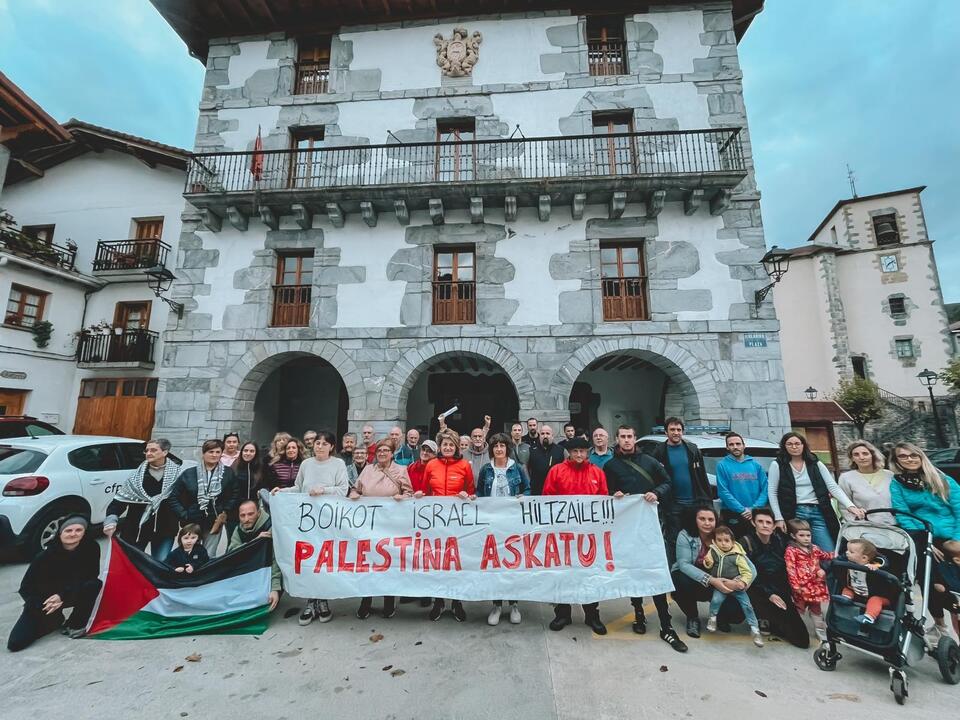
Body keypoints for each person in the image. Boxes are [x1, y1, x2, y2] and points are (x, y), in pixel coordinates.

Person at [604, 424, 687, 652]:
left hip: (651, 526)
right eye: (623, 436)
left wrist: (656, 493)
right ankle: (638, 612)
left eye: (630, 436)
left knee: (654, 569)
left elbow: (667, 483)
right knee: (634, 569)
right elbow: (605, 492)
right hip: (626, 528)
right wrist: (614, 495)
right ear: (617, 439)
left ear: (635, 438)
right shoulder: (611, 466)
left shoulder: (650, 462)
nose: (626, 440)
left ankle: (665, 623)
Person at [274, 430, 349, 625]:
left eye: (325, 443)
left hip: (328, 521)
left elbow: (343, 490)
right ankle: (310, 601)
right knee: (308, 560)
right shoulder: (306, 464)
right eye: (317, 443)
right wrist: (282, 491)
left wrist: (323, 490)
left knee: (324, 561)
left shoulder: (338, 464)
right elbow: (298, 488)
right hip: (307, 522)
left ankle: (323, 601)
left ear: (331, 447)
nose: (320, 446)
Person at [889, 441, 960, 635]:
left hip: (952, 535)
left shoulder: (942, 479)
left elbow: (959, 508)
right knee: (931, 582)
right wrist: (926, 540)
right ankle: (940, 627)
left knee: (955, 587)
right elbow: (902, 514)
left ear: (921, 457)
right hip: (923, 536)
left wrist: (956, 540)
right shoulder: (897, 483)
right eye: (903, 456)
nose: (909, 459)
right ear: (896, 461)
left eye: (913, 455)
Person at [543, 437, 609, 635]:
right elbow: (547, 499)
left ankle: (592, 614)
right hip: (563, 535)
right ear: (569, 453)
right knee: (562, 574)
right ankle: (563, 613)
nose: (579, 455)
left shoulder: (597, 473)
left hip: (589, 535)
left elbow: (604, 500)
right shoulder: (556, 471)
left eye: (582, 451)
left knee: (590, 574)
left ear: (587, 452)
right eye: (575, 451)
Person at [7, 516, 102, 651]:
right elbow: (26, 588)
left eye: (78, 530)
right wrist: (42, 604)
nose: (73, 534)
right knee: (15, 643)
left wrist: (62, 596)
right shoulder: (45, 556)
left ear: (84, 532)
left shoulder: (92, 548)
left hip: (71, 592)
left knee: (93, 584)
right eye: (68, 530)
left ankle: (75, 623)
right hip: (47, 599)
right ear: (60, 533)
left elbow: (91, 575)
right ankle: (55, 619)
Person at [416, 429, 475, 622]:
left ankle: (457, 601)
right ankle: (439, 601)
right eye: (445, 444)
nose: (448, 448)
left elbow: (471, 491)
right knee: (438, 562)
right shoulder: (431, 465)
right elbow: (425, 490)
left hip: (457, 523)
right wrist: (419, 495)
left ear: (457, 447)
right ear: (440, 447)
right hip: (436, 523)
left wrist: (468, 496)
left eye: (451, 445)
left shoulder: (464, 465)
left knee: (457, 562)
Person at [768, 432, 863, 552]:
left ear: (803, 445)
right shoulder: (777, 464)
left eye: (797, 443)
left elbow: (832, 486)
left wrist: (850, 506)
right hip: (794, 513)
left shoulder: (815, 463)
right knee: (800, 552)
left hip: (818, 511)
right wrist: (779, 518)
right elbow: (772, 492)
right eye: (790, 444)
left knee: (828, 550)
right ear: (784, 446)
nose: (794, 447)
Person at [349, 439, 413, 619]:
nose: (382, 453)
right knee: (368, 562)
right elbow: (356, 489)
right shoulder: (368, 470)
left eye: (386, 450)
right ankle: (366, 600)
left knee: (388, 562)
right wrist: (354, 495)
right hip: (368, 525)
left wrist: (402, 497)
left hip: (391, 526)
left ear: (392, 453)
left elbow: (409, 493)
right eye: (379, 451)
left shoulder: (401, 470)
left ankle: (388, 600)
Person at [672, 505, 755, 638]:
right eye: (702, 519)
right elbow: (684, 565)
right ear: (695, 519)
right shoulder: (685, 535)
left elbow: (751, 569)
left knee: (737, 615)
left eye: (711, 519)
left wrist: (741, 583)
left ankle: (721, 616)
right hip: (696, 580)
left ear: (716, 521)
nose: (707, 523)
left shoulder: (724, 536)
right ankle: (692, 618)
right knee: (679, 580)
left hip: (723, 581)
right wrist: (712, 580)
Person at [476, 432, 530, 626]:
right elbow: (480, 491)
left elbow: (527, 489)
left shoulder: (517, 468)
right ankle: (497, 605)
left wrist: (524, 497)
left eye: (502, 446)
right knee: (495, 564)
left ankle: (514, 604)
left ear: (507, 448)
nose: (499, 449)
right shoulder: (486, 469)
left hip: (512, 522)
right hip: (492, 523)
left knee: (512, 562)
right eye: (496, 446)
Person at [739, 508, 810, 648]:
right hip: (755, 589)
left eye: (768, 522)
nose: (765, 525)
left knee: (801, 640)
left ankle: (772, 620)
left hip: (777, 589)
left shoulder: (780, 541)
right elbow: (746, 574)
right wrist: (769, 594)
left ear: (773, 525)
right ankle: (762, 617)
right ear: (753, 523)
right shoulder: (745, 542)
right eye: (760, 521)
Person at [102, 438, 181, 559]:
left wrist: (185, 518)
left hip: (165, 529)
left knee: (161, 564)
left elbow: (184, 501)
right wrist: (111, 519)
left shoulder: (178, 475)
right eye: (146, 450)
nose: (148, 453)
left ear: (165, 452)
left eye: (153, 450)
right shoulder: (136, 477)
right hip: (136, 529)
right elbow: (120, 500)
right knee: (131, 563)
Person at [168, 439, 239, 557]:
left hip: (214, 521)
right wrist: (184, 514)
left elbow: (234, 494)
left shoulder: (228, 473)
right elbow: (174, 497)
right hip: (191, 521)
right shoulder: (189, 473)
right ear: (203, 453)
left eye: (218, 452)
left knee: (209, 555)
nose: (214, 455)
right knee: (189, 554)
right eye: (211, 452)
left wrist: (224, 511)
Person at [651, 418, 712, 548]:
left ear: (682, 431)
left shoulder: (692, 450)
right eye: (672, 430)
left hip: (694, 503)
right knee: (675, 540)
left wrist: (707, 500)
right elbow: (655, 479)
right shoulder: (659, 452)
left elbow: (702, 477)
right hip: (672, 505)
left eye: (679, 430)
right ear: (666, 432)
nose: (676, 432)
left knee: (697, 539)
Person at [702, 526, 763, 646]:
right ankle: (712, 618)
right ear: (715, 541)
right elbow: (709, 564)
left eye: (726, 540)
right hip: (721, 585)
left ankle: (755, 629)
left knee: (747, 606)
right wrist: (707, 562)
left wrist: (743, 582)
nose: (723, 543)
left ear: (733, 542)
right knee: (716, 600)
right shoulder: (713, 551)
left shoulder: (737, 556)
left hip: (736, 585)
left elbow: (748, 572)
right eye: (719, 540)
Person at [227, 500, 281, 611]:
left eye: (250, 514)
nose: (246, 519)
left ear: (259, 513)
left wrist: (275, 589)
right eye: (242, 515)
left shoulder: (270, 527)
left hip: (270, 572)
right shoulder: (238, 529)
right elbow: (232, 554)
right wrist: (255, 542)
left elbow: (276, 560)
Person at [784, 518, 833, 641]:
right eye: (801, 535)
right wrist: (795, 586)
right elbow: (790, 569)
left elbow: (825, 556)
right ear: (793, 536)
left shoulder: (815, 548)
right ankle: (797, 629)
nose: (806, 538)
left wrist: (835, 554)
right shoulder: (791, 551)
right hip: (801, 588)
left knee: (817, 609)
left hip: (816, 586)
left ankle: (820, 630)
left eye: (808, 535)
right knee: (799, 609)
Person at [715, 432, 768, 538]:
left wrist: (754, 508)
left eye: (738, 444)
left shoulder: (755, 465)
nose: (735, 447)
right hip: (733, 514)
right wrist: (742, 510)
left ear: (744, 445)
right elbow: (723, 491)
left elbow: (765, 489)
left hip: (756, 513)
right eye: (731, 444)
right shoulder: (722, 465)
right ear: (727, 447)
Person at [837, 440, 895, 524]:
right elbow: (844, 507)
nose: (861, 457)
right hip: (863, 526)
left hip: (894, 525)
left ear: (873, 455)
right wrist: (858, 523)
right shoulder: (846, 478)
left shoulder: (889, 475)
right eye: (856, 455)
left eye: (865, 453)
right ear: (852, 458)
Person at [837, 538, 889, 625]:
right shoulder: (848, 562)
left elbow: (884, 564)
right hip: (857, 591)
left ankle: (869, 617)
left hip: (877, 595)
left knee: (875, 600)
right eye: (847, 550)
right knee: (847, 588)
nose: (846, 553)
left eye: (851, 552)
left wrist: (877, 567)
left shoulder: (873, 565)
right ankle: (846, 598)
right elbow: (837, 560)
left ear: (864, 557)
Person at [527, 424, 566, 496]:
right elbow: (526, 469)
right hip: (536, 491)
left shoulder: (561, 450)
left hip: (555, 491)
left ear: (552, 436)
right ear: (539, 436)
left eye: (548, 433)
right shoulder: (531, 450)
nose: (545, 436)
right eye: (542, 434)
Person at [232, 442, 266, 506]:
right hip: (236, 505)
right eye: (245, 450)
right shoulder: (234, 466)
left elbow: (265, 486)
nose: (248, 453)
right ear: (241, 452)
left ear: (256, 453)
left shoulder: (262, 467)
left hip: (255, 505)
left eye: (252, 451)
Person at [463, 416, 492, 480]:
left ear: (484, 439)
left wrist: (487, 426)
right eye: (475, 436)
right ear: (471, 439)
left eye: (480, 436)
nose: (477, 439)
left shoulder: (491, 453)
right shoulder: (463, 454)